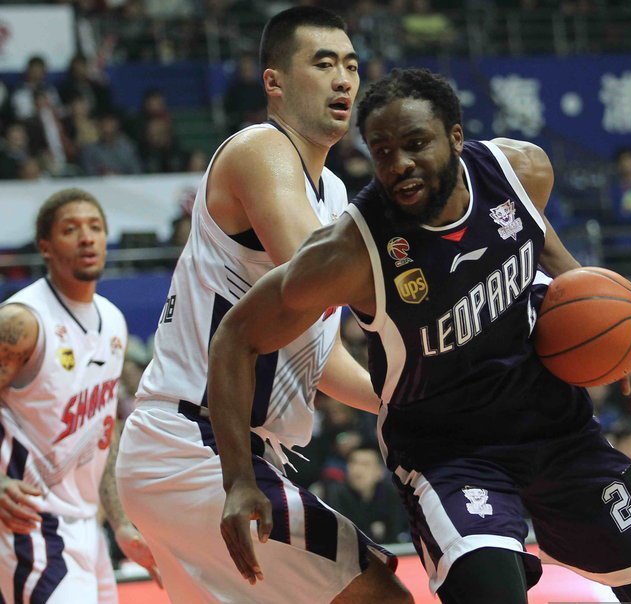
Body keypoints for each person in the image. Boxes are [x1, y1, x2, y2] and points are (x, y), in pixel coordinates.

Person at [208, 68, 631, 603]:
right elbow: (235, 335)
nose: (400, 163)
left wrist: (615, 325)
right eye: (383, 151)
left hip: (556, 428)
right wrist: (239, 479)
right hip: (449, 454)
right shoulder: (348, 252)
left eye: (416, 143)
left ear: (456, 137)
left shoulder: (521, 172)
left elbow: (553, 258)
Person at [114, 7, 409, 604]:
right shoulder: (261, 149)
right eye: (322, 64)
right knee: (379, 596)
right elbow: (313, 271)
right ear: (273, 81)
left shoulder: (333, 193)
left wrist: (401, 395)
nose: (343, 80)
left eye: (351, 65)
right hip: (194, 444)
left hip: (212, 451)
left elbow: (321, 357)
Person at [0, 189, 158, 602]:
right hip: (31, 524)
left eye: (95, 228)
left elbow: (101, 429)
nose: (87, 238)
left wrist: (121, 523)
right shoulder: (22, 321)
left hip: (89, 526)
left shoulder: (113, 320)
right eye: (71, 230)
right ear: (46, 248)